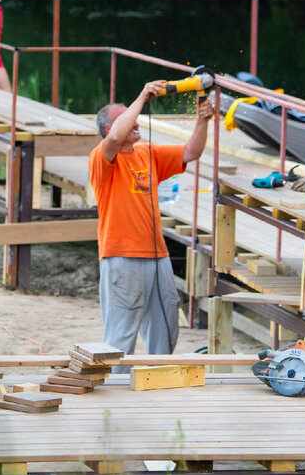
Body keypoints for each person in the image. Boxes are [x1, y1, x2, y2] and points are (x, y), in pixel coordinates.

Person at [89, 82, 214, 362]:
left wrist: (202, 120)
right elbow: (114, 140)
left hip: (158, 256)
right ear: (109, 129)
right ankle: (118, 385)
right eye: (125, 118)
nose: (134, 121)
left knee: (166, 326)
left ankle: (158, 376)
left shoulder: (148, 152)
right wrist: (142, 96)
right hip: (121, 257)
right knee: (121, 334)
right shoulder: (102, 157)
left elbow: (191, 152)